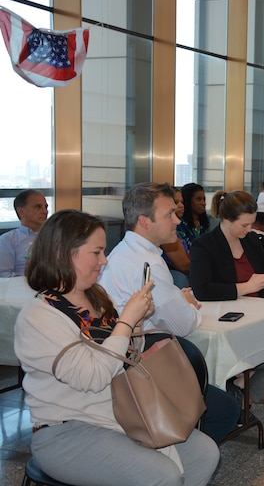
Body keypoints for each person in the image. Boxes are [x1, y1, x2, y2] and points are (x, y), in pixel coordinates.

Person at [15, 209, 219, 485]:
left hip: (120, 413)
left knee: (205, 453)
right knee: (163, 475)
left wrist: (135, 327)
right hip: (66, 430)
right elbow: (93, 376)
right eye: (96, 252)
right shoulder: (40, 316)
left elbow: (121, 354)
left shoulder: (97, 297)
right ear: (64, 253)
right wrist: (127, 321)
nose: (104, 260)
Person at [98, 182, 239, 444]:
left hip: (121, 360)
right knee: (226, 410)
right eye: (169, 214)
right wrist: (187, 304)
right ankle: (176, 457)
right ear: (144, 221)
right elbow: (183, 325)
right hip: (139, 369)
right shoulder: (148, 263)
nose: (177, 220)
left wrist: (179, 299)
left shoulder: (121, 252)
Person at [189, 190, 264, 405]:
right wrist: (245, 287)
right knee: (241, 359)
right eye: (244, 225)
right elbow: (203, 290)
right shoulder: (205, 245)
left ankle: (242, 399)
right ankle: (235, 397)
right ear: (226, 219)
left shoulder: (252, 241)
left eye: (252, 223)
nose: (249, 229)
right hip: (226, 322)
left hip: (256, 316)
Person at [0, 189, 48, 277]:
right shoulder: (8, 240)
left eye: (46, 207)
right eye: (38, 207)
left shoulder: (55, 236)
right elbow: (4, 275)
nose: (45, 211)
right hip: (22, 287)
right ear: (21, 211)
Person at [160, 186, 191, 288]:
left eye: (182, 202)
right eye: (176, 202)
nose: (181, 205)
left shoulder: (179, 228)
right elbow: (184, 266)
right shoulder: (165, 233)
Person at [179, 183, 210, 251]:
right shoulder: (179, 224)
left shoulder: (204, 223)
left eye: (204, 199)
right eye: (198, 199)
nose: (203, 203)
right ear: (187, 200)